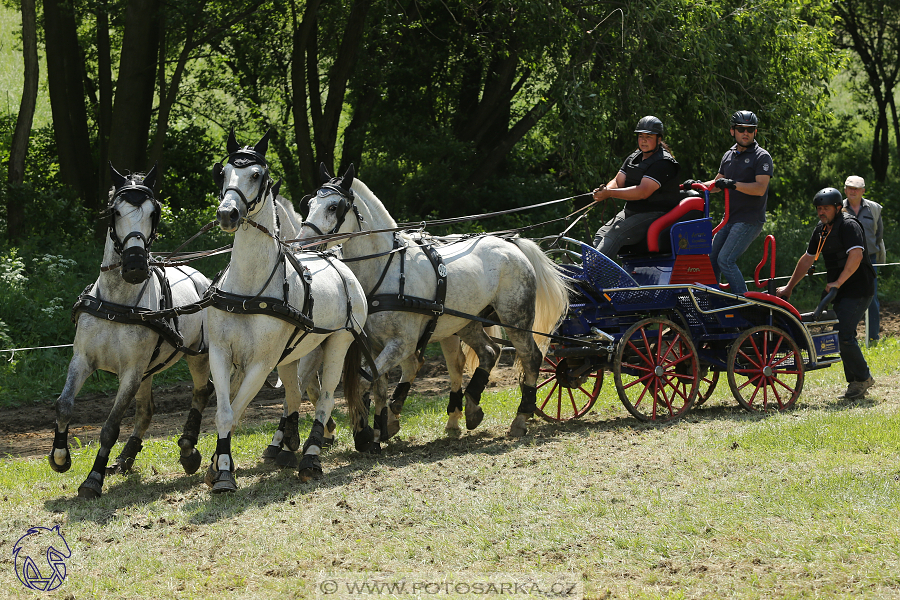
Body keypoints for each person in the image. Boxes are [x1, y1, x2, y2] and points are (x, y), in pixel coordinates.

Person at [775, 187, 876, 400]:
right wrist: (789, 287)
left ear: (838, 208)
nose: (822, 212)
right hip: (839, 288)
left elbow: (856, 256)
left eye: (826, 208)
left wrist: (838, 281)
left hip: (858, 287)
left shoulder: (849, 226)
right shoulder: (821, 230)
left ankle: (863, 378)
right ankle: (856, 383)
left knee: (844, 334)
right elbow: (807, 259)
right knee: (843, 335)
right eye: (819, 208)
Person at [696, 110, 773, 295]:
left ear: (755, 132)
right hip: (729, 218)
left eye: (749, 129)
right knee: (711, 258)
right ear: (733, 131)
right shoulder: (729, 155)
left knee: (725, 260)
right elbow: (716, 184)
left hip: (749, 219)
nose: (745, 133)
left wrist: (733, 184)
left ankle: (743, 306)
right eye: (741, 129)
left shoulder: (762, 157)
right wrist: (696, 185)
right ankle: (715, 301)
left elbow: (760, 188)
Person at [592, 115, 682, 257]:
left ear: (659, 139)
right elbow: (618, 181)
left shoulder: (663, 163)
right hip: (632, 211)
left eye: (649, 137)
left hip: (654, 214)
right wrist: (606, 190)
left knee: (615, 234)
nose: (644, 140)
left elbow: (642, 192)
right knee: (601, 234)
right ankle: (589, 271)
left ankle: (590, 273)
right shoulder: (634, 157)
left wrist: (610, 194)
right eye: (641, 136)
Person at [843, 175, 885, 343]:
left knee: (871, 296)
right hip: (845, 260)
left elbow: (879, 234)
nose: (853, 191)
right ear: (845, 190)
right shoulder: (838, 208)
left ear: (863, 191)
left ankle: (873, 336)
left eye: (856, 188)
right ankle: (847, 335)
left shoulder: (874, 208)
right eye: (850, 188)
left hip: (869, 260)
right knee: (846, 296)